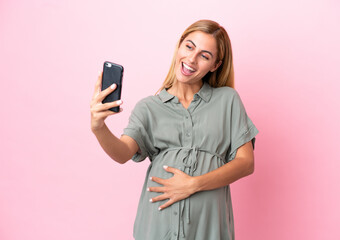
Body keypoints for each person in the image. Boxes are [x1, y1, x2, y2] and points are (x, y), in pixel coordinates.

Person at [90, 19, 259, 240]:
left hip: (209, 229)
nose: (191, 59)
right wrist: (98, 127)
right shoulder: (149, 107)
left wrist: (193, 184)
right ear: (179, 46)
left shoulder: (227, 101)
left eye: (204, 55)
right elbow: (123, 153)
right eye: (189, 46)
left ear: (215, 65)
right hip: (157, 227)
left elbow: (246, 163)